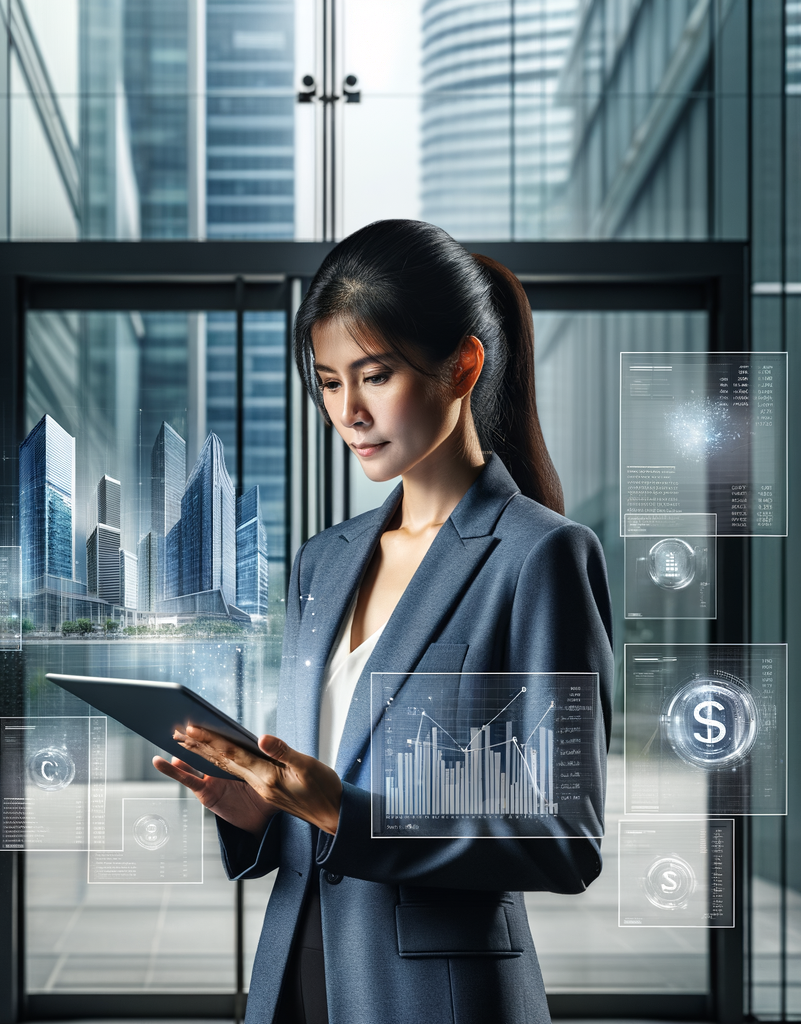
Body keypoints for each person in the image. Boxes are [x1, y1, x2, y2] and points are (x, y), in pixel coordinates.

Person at [153, 220, 613, 1024]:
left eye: (375, 375)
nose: (348, 412)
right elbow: (319, 794)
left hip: (439, 998)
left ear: (463, 365)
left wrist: (343, 812)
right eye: (329, 383)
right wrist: (260, 810)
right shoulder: (322, 561)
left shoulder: (540, 557)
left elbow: (565, 837)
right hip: (295, 973)